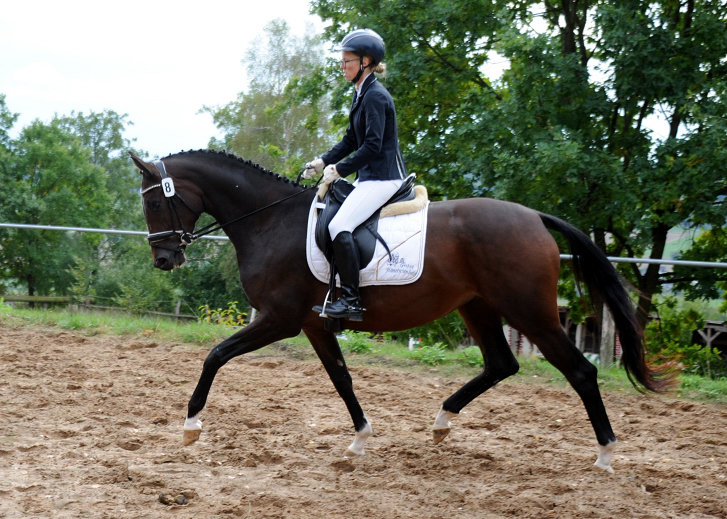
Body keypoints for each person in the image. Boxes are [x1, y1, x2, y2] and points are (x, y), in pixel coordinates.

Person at [304, 28, 407, 322]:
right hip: (369, 177)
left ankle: (350, 301)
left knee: (339, 227)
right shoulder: (360, 92)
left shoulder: (375, 96)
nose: (342, 66)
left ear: (365, 61)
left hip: (384, 178)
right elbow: (351, 139)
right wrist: (323, 161)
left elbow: (373, 146)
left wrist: (340, 170)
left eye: (347, 61)